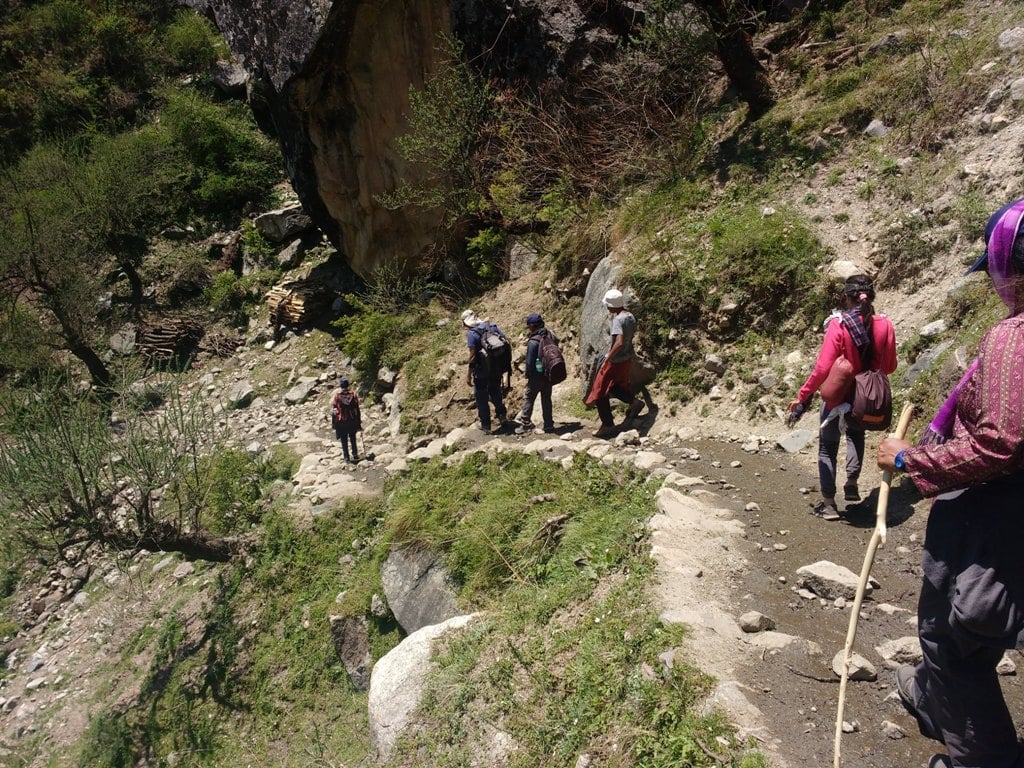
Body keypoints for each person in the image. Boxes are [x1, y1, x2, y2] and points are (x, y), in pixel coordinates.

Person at [878, 198, 1024, 768]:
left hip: (993, 517)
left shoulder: (1014, 337)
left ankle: (981, 757)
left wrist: (914, 462)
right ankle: (936, 702)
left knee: (950, 637)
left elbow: (1004, 440)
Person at [787, 274, 897, 520]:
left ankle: (828, 504)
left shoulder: (840, 324)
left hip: (838, 399)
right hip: (865, 400)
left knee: (827, 447)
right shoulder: (885, 325)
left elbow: (822, 369)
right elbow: (889, 367)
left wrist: (802, 396)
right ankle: (851, 483)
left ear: (846, 297)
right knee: (856, 435)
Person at [585, 288, 644, 438]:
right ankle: (634, 402)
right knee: (614, 386)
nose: (607, 307)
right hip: (627, 358)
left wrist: (608, 358)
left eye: (608, 305)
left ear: (612, 305)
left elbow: (618, 342)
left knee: (599, 391)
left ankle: (608, 425)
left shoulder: (618, 320)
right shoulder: (630, 316)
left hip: (615, 360)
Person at [462, 309, 511, 434]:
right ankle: (502, 417)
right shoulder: (492, 326)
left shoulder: (472, 334)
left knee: (481, 398)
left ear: (466, 322)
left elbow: (472, 356)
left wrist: (468, 375)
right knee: (496, 394)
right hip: (496, 369)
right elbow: (506, 341)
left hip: (481, 373)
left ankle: (486, 426)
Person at [515, 313, 557, 434]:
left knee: (529, 397)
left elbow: (529, 361)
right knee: (546, 399)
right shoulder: (550, 335)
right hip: (549, 374)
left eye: (529, 327)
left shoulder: (533, 341)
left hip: (536, 375)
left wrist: (528, 374)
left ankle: (525, 423)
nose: (529, 329)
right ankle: (548, 424)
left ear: (533, 326)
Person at [331, 377, 361, 463]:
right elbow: (357, 409)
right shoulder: (353, 395)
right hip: (351, 419)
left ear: (341, 386)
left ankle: (346, 458)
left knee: (344, 440)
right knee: (352, 437)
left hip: (342, 421)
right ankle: (355, 454)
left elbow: (335, 410)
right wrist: (358, 423)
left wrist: (334, 423)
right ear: (348, 385)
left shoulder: (337, 396)